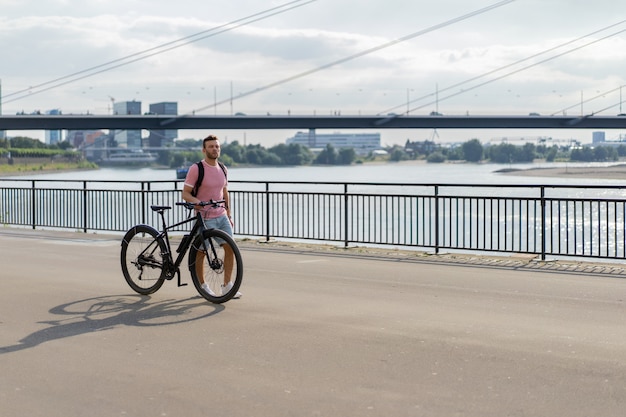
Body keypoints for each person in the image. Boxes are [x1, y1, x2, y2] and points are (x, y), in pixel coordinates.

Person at [182, 135, 241, 298]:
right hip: (204, 217)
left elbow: (225, 192)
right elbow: (185, 194)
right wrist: (197, 201)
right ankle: (203, 286)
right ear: (204, 150)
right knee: (201, 252)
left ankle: (227, 286)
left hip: (221, 215)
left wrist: (229, 214)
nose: (215, 149)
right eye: (211, 146)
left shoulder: (223, 168)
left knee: (231, 249)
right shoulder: (196, 169)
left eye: (217, 146)